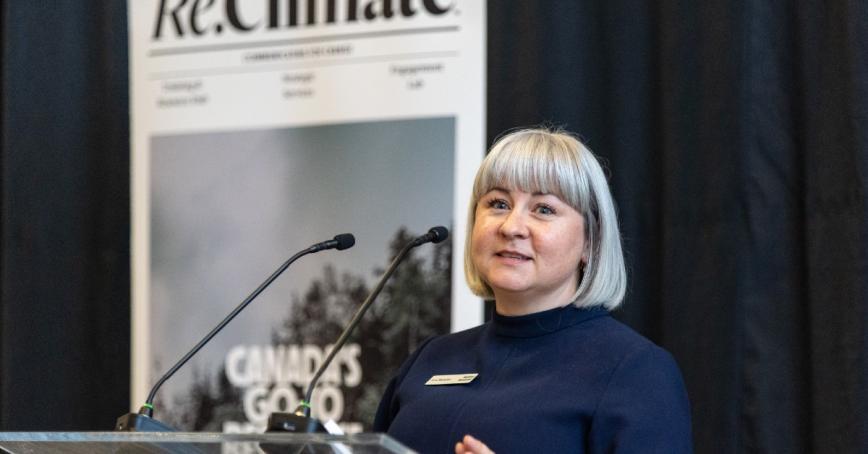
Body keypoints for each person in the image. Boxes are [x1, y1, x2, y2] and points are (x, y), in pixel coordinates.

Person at [373, 128, 693, 453]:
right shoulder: (430, 359)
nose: (511, 227)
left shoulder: (636, 371)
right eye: (498, 203)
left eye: (543, 209)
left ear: (591, 242)